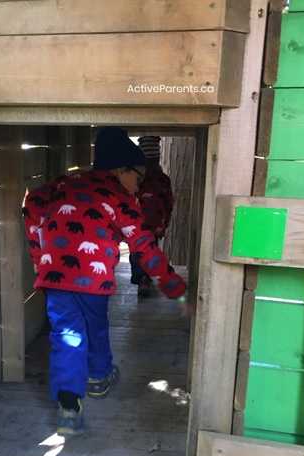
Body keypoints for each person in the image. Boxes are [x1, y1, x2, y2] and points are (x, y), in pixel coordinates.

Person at [23, 127, 186, 435]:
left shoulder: (64, 183)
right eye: (137, 178)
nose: (137, 187)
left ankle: (68, 405)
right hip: (93, 280)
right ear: (121, 169)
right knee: (95, 326)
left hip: (54, 278)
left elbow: (32, 203)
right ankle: (98, 378)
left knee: (66, 334)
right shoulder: (120, 199)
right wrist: (173, 285)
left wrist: (38, 253)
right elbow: (144, 246)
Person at [129, 135, 174, 297]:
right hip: (151, 224)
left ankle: (143, 278)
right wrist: (164, 222)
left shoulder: (137, 177)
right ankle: (145, 278)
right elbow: (169, 203)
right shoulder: (160, 179)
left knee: (138, 252)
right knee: (145, 250)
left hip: (141, 224)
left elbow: (168, 203)